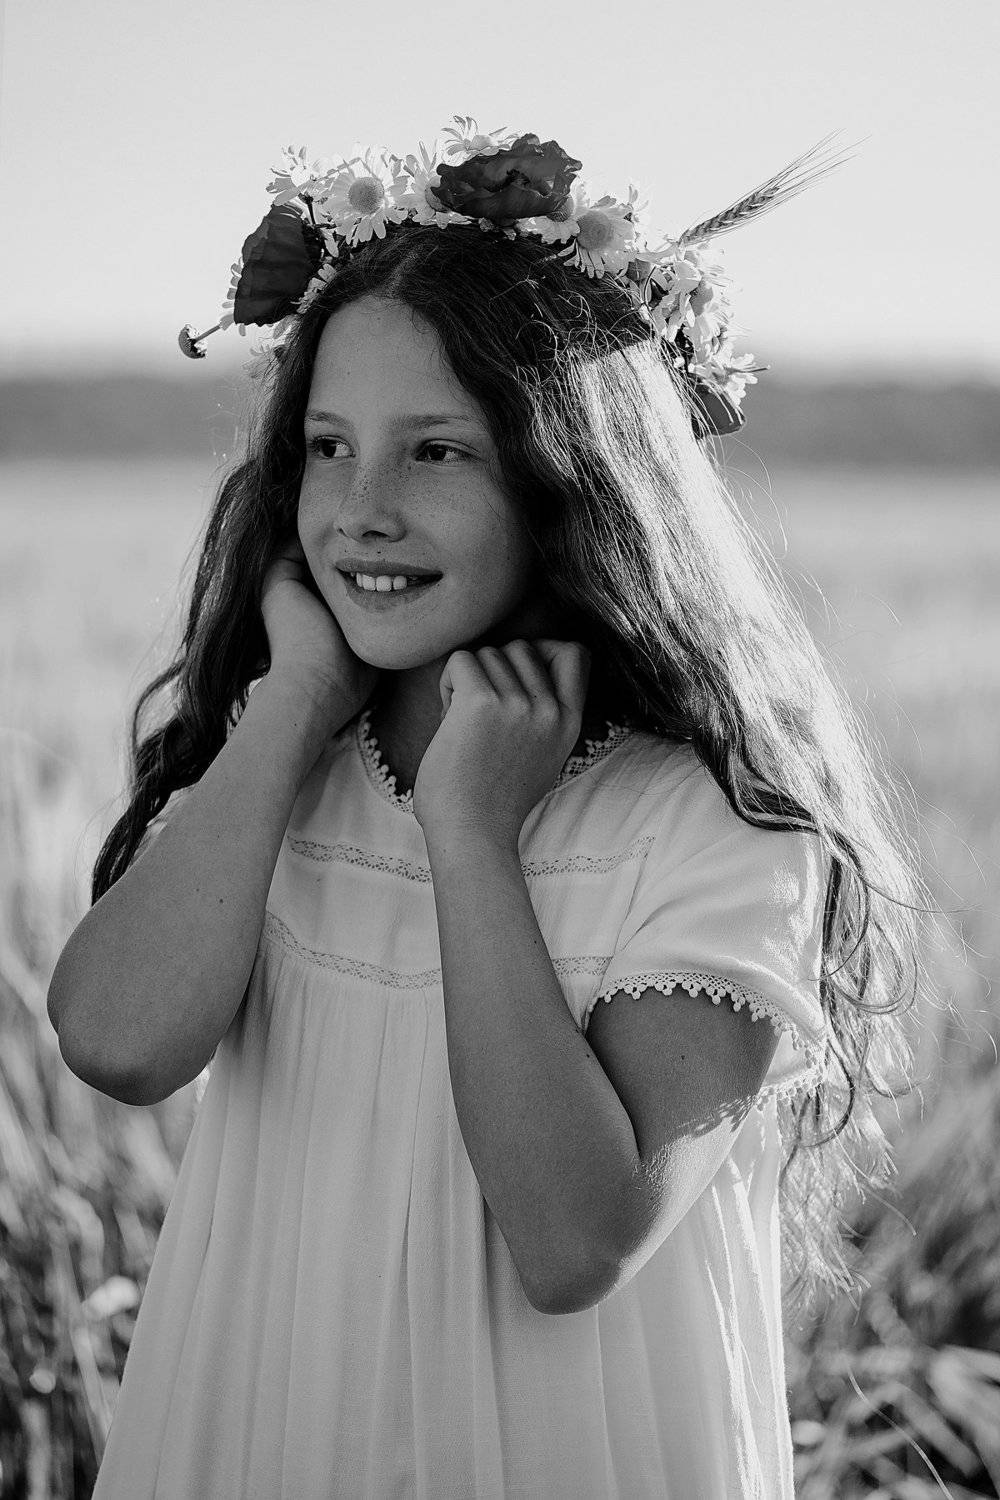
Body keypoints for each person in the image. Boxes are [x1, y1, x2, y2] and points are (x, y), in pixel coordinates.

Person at [49, 118, 931, 1498]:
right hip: (260, 1442)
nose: (362, 508)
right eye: (328, 446)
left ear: (571, 475)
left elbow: (573, 1243)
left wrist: (470, 834)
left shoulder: (710, 826)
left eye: (438, 452)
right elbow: (114, 1042)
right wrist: (290, 706)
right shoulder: (283, 769)